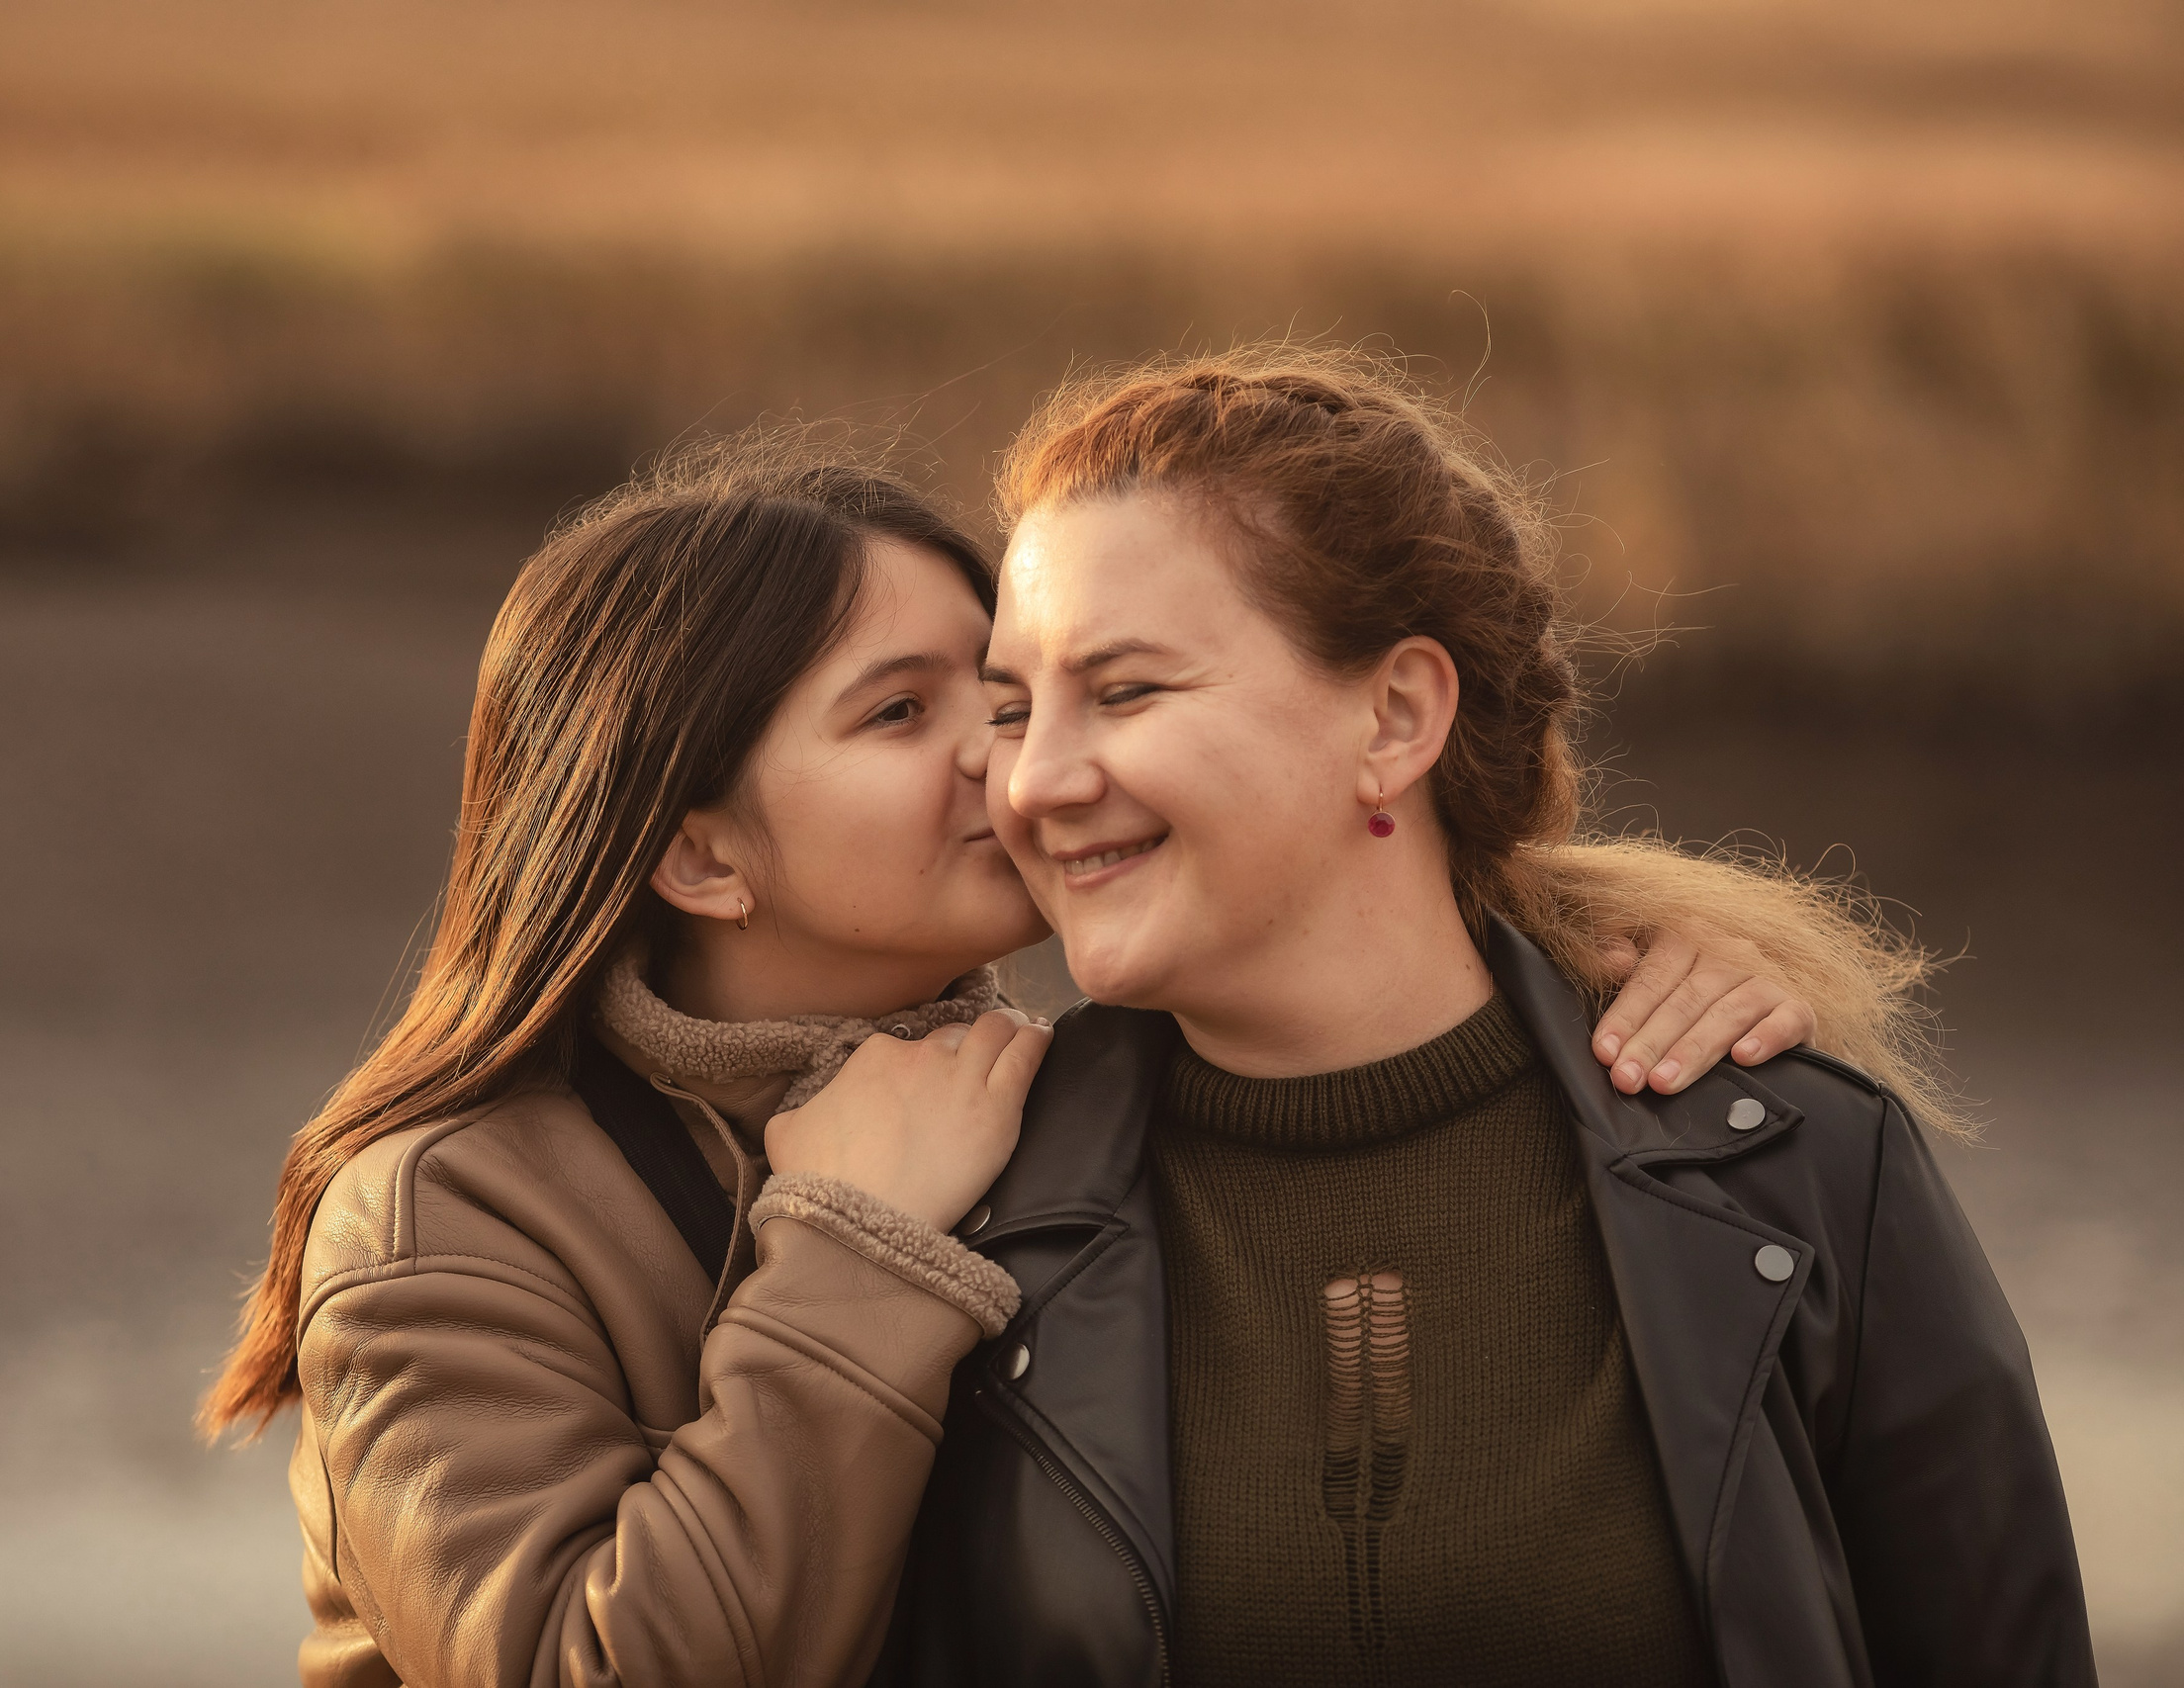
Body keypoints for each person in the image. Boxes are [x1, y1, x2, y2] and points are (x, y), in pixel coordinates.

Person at [200, 434, 1831, 1688]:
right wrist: (851, 1258)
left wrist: (1597, 955)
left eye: (1004, 693)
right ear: (701, 857)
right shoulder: (443, 1216)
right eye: (903, 715)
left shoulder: (1040, 1103)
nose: (1018, 760)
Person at [879, 348, 2093, 1687]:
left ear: (1396, 717)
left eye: (1125, 690)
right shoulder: (956, 1214)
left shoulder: (1800, 1173)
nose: (1034, 779)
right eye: (1013, 706)